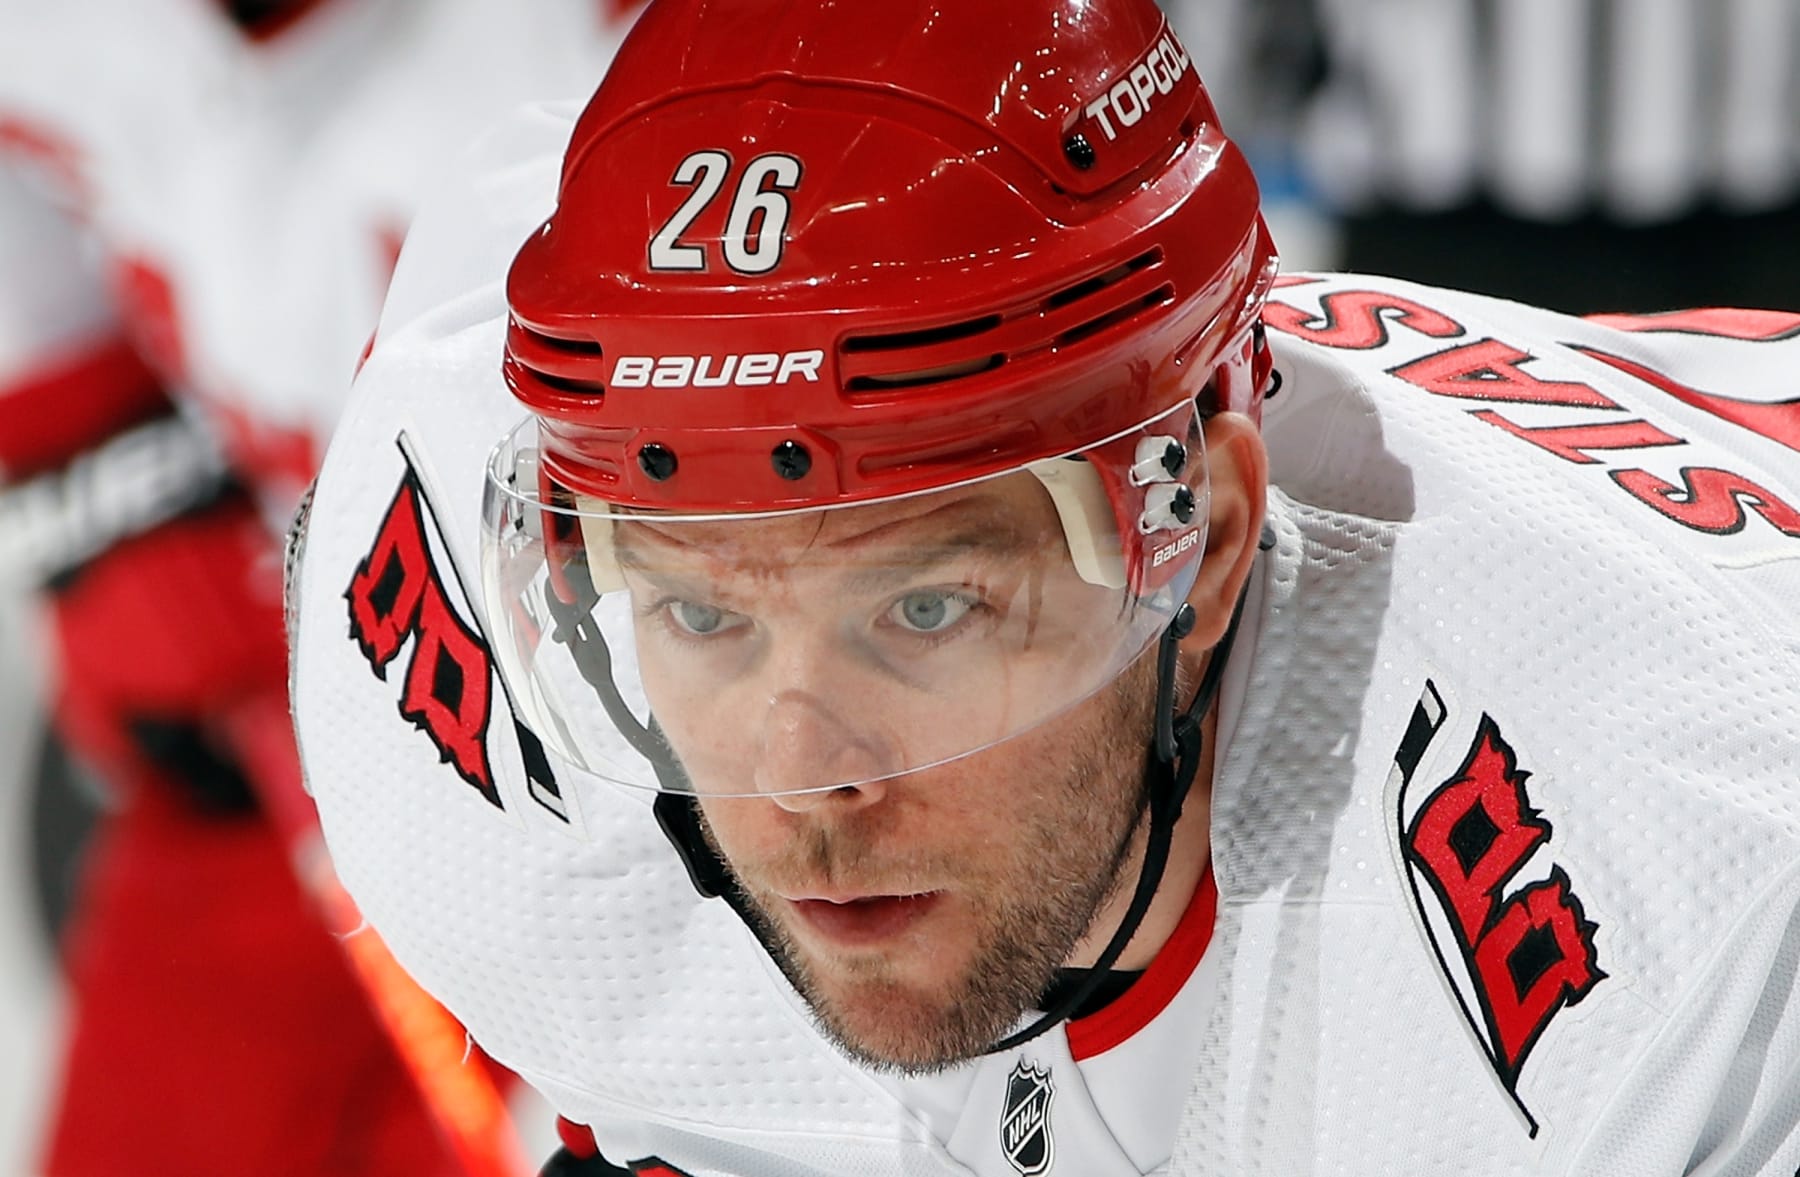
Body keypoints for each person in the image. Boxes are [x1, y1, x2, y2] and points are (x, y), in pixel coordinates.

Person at [288, 0, 1800, 1173]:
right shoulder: (482, 745)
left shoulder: (1659, 937)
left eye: (923, 609)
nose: (805, 781)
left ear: (1199, 543)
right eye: (702, 614)